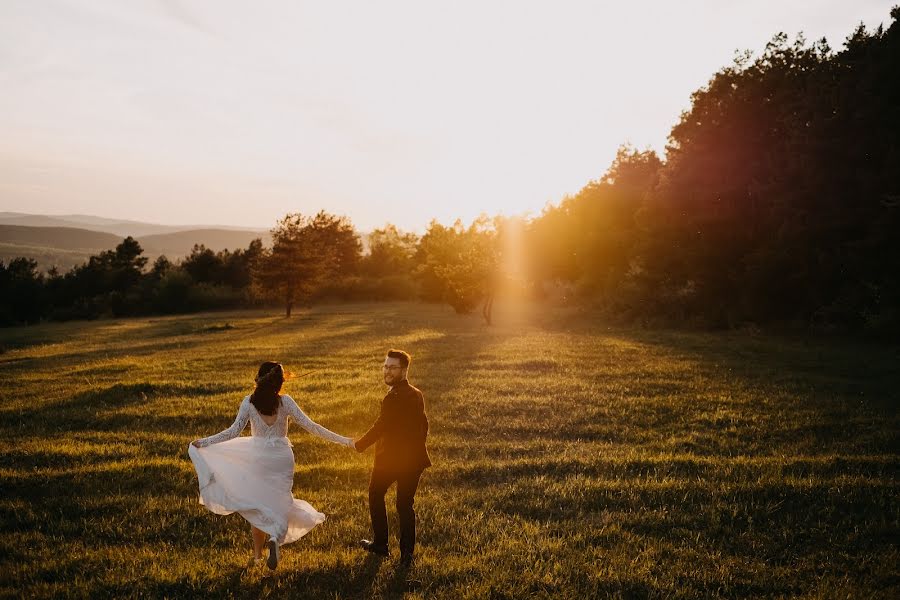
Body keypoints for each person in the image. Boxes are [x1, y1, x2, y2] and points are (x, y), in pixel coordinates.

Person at [188, 361, 354, 570]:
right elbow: (312, 427)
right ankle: (275, 537)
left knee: (258, 504)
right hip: (282, 458)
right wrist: (345, 440)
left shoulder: (248, 402)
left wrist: (203, 442)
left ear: (257, 379)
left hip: (258, 458)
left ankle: (258, 556)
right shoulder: (285, 402)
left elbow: (233, 432)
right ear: (279, 382)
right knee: (281, 502)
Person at [353, 349, 431, 566]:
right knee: (405, 505)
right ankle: (407, 556)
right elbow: (424, 425)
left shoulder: (392, 397)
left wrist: (360, 444)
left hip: (391, 461)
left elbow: (381, 425)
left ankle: (380, 545)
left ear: (404, 370)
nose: (387, 371)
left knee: (376, 493)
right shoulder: (416, 393)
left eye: (392, 367)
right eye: (385, 366)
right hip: (414, 461)